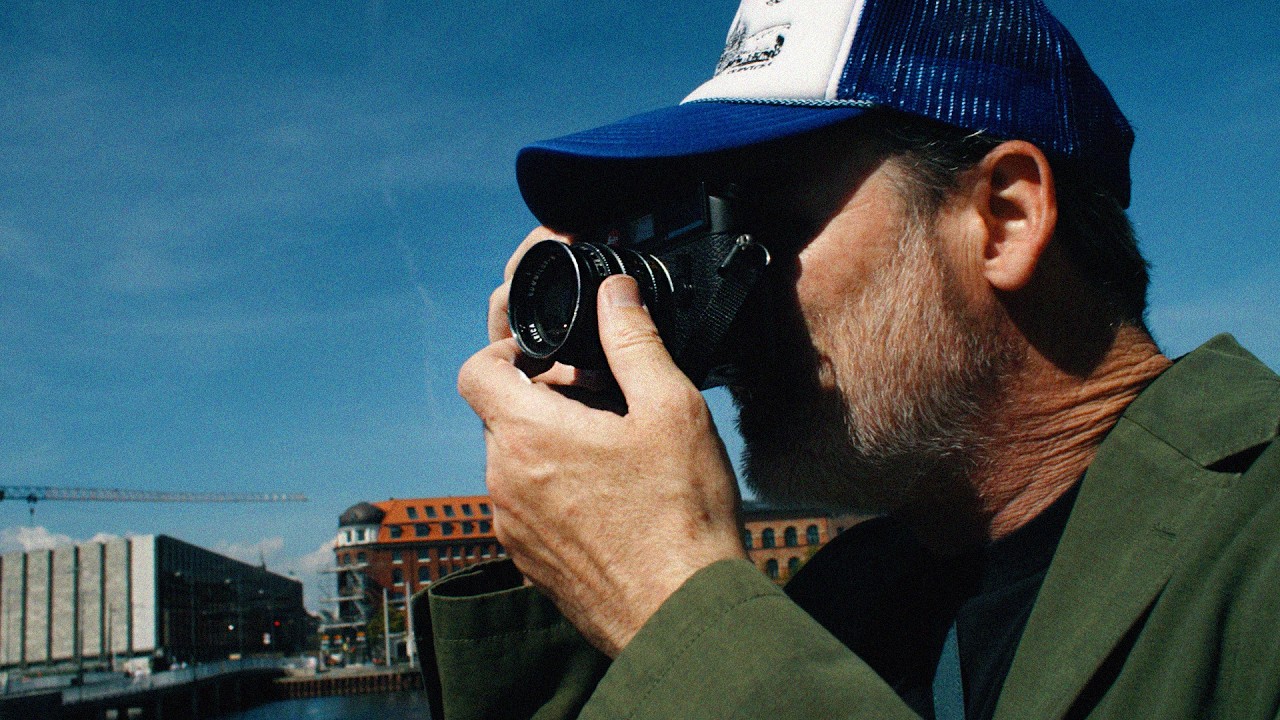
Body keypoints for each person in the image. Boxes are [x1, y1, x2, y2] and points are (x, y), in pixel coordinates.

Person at [424, 0, 1280, 718]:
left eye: (768, 223)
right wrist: (579, 568)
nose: (734, 289)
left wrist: (677, 611)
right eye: (705, 235)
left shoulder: (1253, 552)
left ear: (1005, 219)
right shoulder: (852, 596)